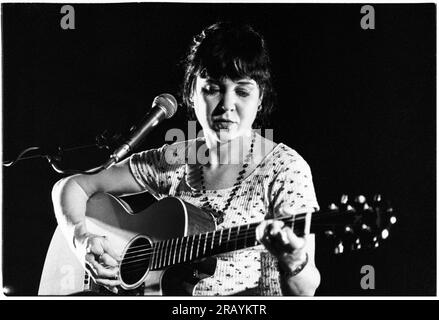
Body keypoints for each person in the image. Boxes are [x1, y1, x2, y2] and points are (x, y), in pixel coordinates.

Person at [51, 22, 321, 296]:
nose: (227, 105)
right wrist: (82, 241)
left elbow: (304, 291)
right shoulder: (174, 158)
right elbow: (70, 186)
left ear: (260, 98)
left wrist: (295, 260)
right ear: (191, 92)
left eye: (242, 91)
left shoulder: (285, 169)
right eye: (213, 88)